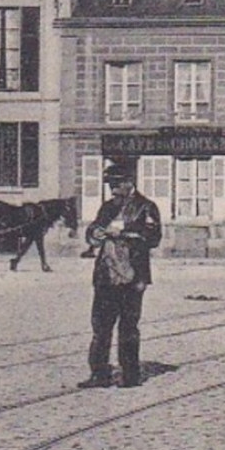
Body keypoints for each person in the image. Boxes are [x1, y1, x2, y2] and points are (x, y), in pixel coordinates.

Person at [77, 161, 163, 389]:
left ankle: (130, 375)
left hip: (133, 276)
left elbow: (154, 237)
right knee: (100, 326)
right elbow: (92, 231)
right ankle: (99, 374)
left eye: (117, 185)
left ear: (129, 183)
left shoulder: (146, 207)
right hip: (106, 274)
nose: (113, 190)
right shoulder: (107, 207)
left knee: (128, 326)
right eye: (110, 185)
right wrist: (94, 233)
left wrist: (123, 233)